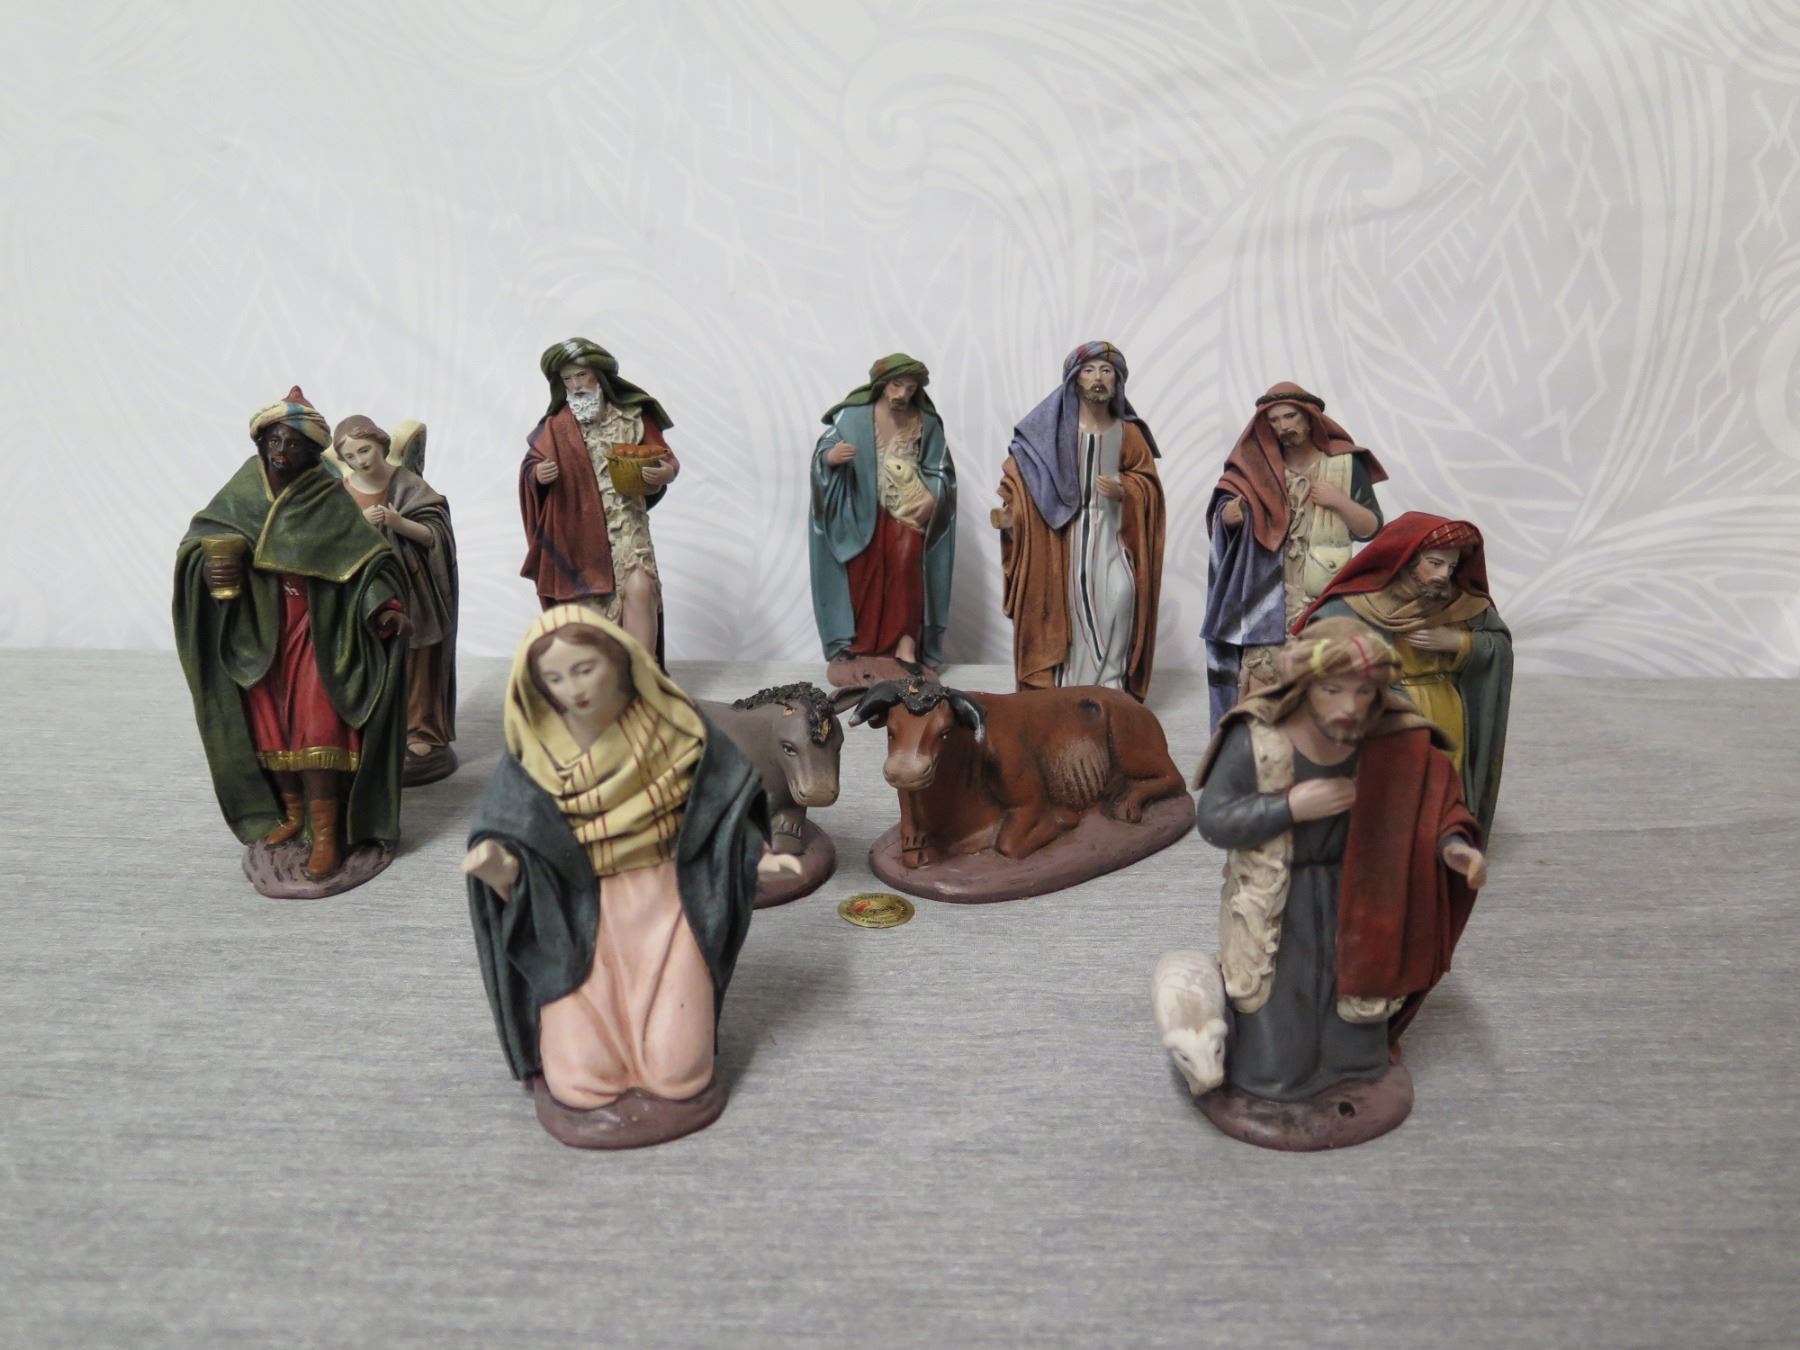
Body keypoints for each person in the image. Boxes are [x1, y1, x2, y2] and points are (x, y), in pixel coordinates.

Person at [461, 608, 766, 1148]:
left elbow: (724, 810)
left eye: (584, 669)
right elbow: (514, 843)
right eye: (555, 678)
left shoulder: (678, 731)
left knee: (680, 1071)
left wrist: (751, 859)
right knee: (582, 1081)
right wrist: (502, 869)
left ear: (619, 661)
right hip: (576, 919)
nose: (573, 688)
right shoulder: (534, 756)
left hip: (669, 905)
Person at [1194, 617, 1484, 1111]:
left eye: (1363, 692)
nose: (1350, 707)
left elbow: (1432, 805)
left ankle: (1351, 1073)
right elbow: (1214, 820)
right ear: (1304, 686)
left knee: (1355, 1010)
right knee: (1280, 1020)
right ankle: (1277, 1077)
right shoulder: (1258, 737)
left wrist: (1452, 846)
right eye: (1332, 690)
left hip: (1364, 893)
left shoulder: (1394, 738)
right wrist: (1289, 806)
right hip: (1278, 903)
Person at [174, 387, 409, 883]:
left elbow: (369, 559)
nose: (282, 451)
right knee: (269, 725)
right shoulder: (243, 490)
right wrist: (212, 564)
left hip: (316, 624)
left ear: (312, 451)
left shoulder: (326, 494)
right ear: (261, 441)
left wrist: (382, 607)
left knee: (317, 726)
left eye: (295, 444)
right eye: (275, 440)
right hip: (257, 628)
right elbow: (199, 540)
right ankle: (293, 814)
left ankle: (326, 833)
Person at [1296, 512, 1512, 835]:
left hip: (1447, 712)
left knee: (1443, 792)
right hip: (1389, 716)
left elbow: (1499, 644)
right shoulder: (1361, 603)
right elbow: (1319, 644)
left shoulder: (1460, 604)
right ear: (1408, 559)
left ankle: (1440, 845)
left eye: (1451, 567)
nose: (1443, 575)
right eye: (1434, 563)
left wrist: (1459, 642)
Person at [1202, 382, 1386, 728]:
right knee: (1260, 686)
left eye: (1290, 417)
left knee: (1322, 681)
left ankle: (1317, 749)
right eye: (1274, 420)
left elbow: (1371, 527)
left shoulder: (1344, 465)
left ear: (1310, 418)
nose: (1283, 426)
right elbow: (1224, 509)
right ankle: (1256, 753)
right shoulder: (1254, 470)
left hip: (1325, 595)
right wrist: (1227, 518)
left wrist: (1339, 502)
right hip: (1267, 600)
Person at [995, 341, 1165, 697]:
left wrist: (1127, 488)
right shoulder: (1053, 434)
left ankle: (1112, 683)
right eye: (1089, 370)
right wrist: (1013, 511)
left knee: (1122, 594)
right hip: (1064, 538)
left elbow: (1149, 484)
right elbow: (1023, 474)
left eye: (1106, 371)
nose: (1097, 378)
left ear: (1117, 381)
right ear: (1075, 379)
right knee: (1070, 609)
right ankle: (1071, 688)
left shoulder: (1129, 432)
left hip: (1112, 534)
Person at [518, 338, 680, 656]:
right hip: (578, 534)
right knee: (591, 609)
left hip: (627, 526)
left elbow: (667, 458)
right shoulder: (556, 427)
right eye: (568, 379)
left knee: (640, 588)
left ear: (599, 376)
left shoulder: (633, 416)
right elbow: (530, 468)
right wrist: (537, 475)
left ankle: (643, 676)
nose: (576, 385)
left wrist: (666, 473)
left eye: (582, 375)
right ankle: (605, 676)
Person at [809, 353, 957, 685]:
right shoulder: (852, 416)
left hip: (907, 513)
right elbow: (823, 452)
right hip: (861, 511)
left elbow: (941, 470)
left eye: (910, 388)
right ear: (881, 384)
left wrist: (932, 496)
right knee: (863, 574)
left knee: (907, 571)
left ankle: (906, 646)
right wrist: (831, 457)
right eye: (896, 385)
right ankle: (861, 646)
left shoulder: (925, 421)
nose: (902, 394)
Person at [333, 415, 460, 785]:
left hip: (412, 590)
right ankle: (374, 731)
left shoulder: (408, 484)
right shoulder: (340, 493)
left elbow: (436, 536)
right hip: (363, 594)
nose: (360, 461)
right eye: (351, 456)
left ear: (381, 445)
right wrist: (361, 523)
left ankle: (421, 733)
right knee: (369, 660)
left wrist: (397, 522)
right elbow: (330, 542)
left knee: (418, 659)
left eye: (365, 450)